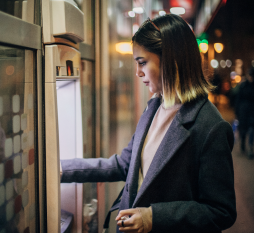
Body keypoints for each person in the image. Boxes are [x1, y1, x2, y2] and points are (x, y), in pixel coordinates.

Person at [61, 14, 236, 233]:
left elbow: (221, 211)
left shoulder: (211, 127)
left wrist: (153, 217)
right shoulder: (154, 106)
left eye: (142, 62)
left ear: (172, 60)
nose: (137, 72)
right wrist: (62, 169)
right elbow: (124, 165)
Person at [235, 67, 254, 158]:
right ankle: (243, 144)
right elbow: (238, 99)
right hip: (243, 111)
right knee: (243, 129)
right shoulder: (243, 85)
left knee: (251, 129)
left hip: (251, 112)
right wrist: (237, 111)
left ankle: (250, 147)